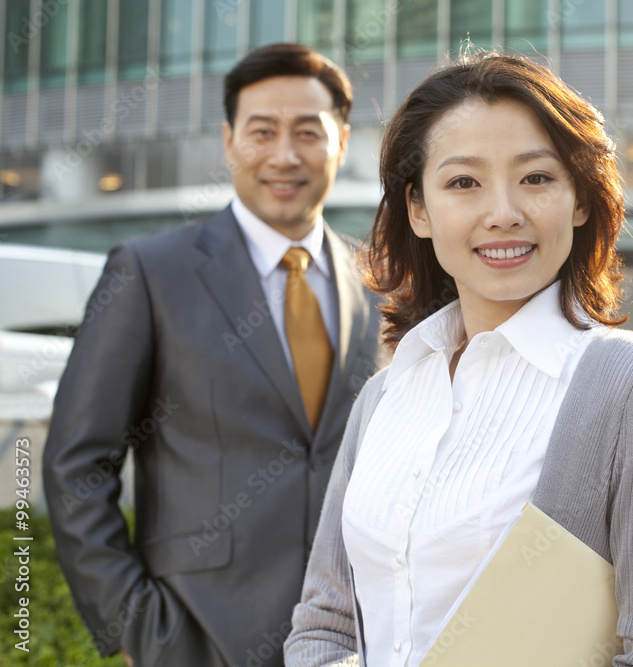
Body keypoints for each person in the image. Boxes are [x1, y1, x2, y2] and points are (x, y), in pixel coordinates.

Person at [283, 51, 633, 667]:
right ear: (419, 210)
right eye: (463, 182)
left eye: (536, 178)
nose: (503, 214)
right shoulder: (385, 397)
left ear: (579, 198)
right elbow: (323, 626)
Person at [43, 43, 384, 667]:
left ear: (340, 142)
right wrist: (133, 627)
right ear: (229, 142)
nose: (284, 155)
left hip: (356, 640)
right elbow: (77, 465)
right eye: (262, 132)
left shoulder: (377, 285)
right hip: (198, 637)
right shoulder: (149, 273)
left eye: (308, 132)